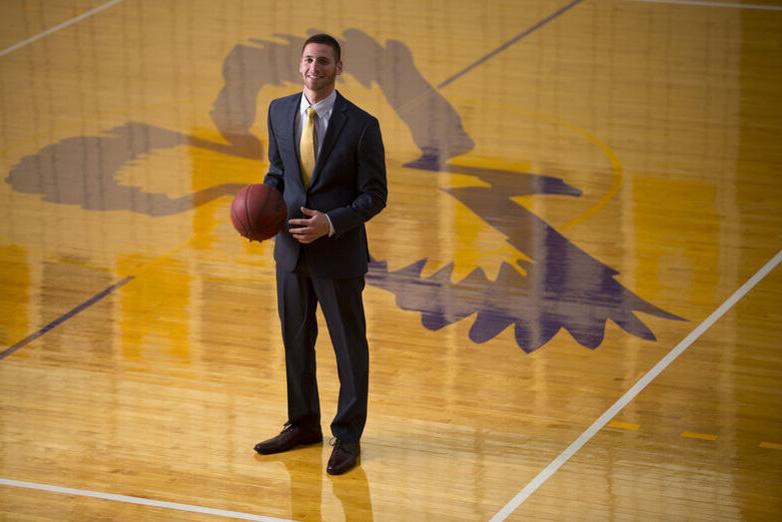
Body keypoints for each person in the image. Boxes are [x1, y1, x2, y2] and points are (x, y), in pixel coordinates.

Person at [253, 33, 387, 475]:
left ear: (339, 68)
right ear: (300, 64)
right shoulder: (278, 110)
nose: (315, 68)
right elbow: (277, 172)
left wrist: (329, 223)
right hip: (290, 250)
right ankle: (303, 423)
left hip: (337, 253)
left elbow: (374, 195)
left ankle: (347, 436)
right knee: (295, 339)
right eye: (309, 60)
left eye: (324, 61)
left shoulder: (362, 125)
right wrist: (261, 214)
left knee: (348, 347)